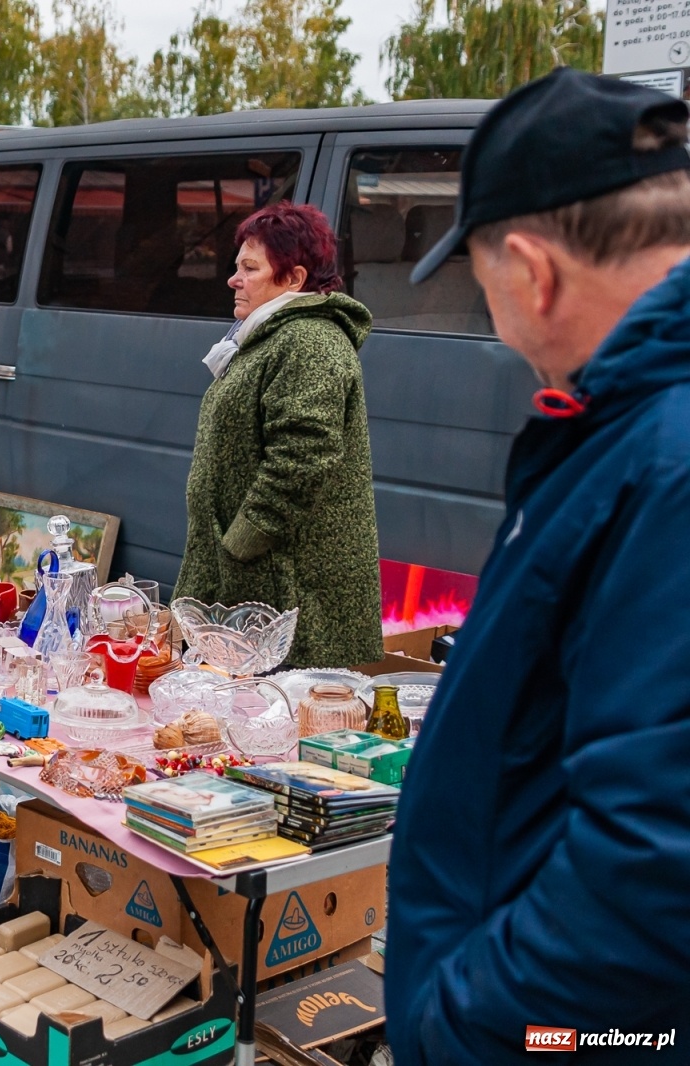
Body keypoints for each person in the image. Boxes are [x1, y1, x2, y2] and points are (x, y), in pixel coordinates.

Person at [388, 69, 690, 1065]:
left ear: (531, 272)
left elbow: (650, 870)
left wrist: (455, 1024)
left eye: (478, 278)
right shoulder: (627, 428)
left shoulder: (664, 457)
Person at [173, 201, 381, 668]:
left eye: (250, 268)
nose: (234, 278)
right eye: (237, 266)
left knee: (275, 725)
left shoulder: (310, 341)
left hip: (285, 583)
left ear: (293, 279)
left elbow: (304, 456)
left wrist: (242, 541)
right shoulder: (271, 336)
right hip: (257, 578)